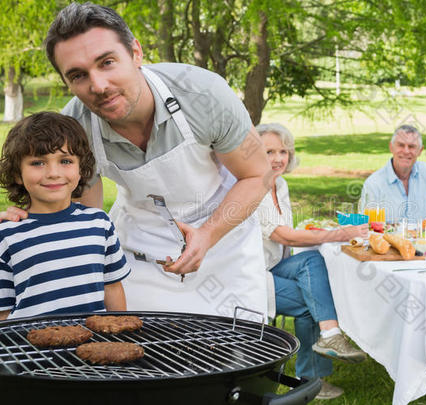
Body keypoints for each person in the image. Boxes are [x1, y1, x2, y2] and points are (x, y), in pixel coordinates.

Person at [0, 3, 271, 317]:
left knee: (236, 354)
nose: (99, 86)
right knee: (141, 353)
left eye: (108, 62)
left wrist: (208, 235)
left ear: (136, 53)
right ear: (66, 82)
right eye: (78, 75)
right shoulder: (74, 128)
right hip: (139, 251)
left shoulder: (204, 94)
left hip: (225, 241)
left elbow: (258, 175)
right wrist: (31, 219)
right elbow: (82, 216)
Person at [255, 123, 368, 400]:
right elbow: (285, 236)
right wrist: (339, 233)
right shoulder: (254, 187)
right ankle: (314, 375)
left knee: (314, 261)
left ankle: (326, 342)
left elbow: (287, 239)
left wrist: (321, 235)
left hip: (276, 263)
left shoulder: (280, 185)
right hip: (252, 274)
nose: (279, 158)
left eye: (283, 151)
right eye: (269, 151)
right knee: (310, 302)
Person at [0, 112, 130, 320]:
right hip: (30, 349)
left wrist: (121, 336)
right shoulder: (7, 234)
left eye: (66, 161)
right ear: (17, 173)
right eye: (38, 163)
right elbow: (3, 311)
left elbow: (112, 288)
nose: (53, 172)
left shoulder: (99, 223)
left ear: (81, 169)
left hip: (93, 345)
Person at [359, 125, 426, 224]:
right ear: (391, 147)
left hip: (422, 239)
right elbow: (366, 225)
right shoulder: (374, 184)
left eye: (412, 146)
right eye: (401, 145)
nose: (406, 151)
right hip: (387, 239)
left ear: (420, 151)